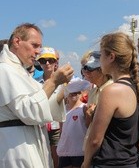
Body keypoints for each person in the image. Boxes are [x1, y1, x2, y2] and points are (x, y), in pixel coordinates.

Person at [0, 23, 74, 168]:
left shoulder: (21, 72)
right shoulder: (4, 70)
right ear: (17, 41)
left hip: (32, 140)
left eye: (39, 47)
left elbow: (44, 105)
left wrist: (60, 88)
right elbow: (29, 111)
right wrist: (53, 82)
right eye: (34, 45)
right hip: (16, 146)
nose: (38, 52)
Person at [82, 32, 139, 168]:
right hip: (130, 162)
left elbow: (95, 140)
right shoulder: (133, 86)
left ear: (111, 57)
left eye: (102, 55)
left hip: (110, 163)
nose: (100, 61)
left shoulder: (112, 91)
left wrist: (85, 163)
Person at [35, 46, 65, 168]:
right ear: (39, 63)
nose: (47, 63)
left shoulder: (64, 81)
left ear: (56, 62)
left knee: (57, 156)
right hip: (40, 125)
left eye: (51, 60)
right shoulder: (34, 81)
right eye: (43, 60)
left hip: (57, 126)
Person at [57, 77, 91, 168]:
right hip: (64, 151)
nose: (74, 95)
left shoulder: (84, 108)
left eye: (77, 92)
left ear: (81, 94)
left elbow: (89, 128)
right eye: (71, 93)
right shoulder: (62, 110)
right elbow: (61, 130)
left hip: (79, 151)